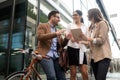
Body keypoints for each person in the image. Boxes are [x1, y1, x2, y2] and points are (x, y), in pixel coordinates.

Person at [36, 11, 66, 80]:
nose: (59, 19)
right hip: (45, 55)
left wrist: (67, 38)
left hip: (56, 56)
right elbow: (40, 37)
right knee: (52, 77)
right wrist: (55, 34)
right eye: (58, 17)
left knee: (62, 77)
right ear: (52, 17)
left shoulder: (56, 30)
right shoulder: (42, 25)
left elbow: (62, 45)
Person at [87, 8, 112, 80]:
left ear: (93, 15)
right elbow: (90, 43)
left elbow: (101, 40)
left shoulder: (102, 23)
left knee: (100, 78)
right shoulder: (91, 27)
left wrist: (88, 39)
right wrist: (81, 40)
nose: (87, 16)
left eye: (88, 14)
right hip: (93, 57)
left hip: (103, 56)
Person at [65, 10, 88, 80]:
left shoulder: (85, 27)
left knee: (84, 72)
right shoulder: (70, 25)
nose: (74, 16)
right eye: (73, 15)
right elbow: (66, 36)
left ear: (80, 16)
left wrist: (81, 41)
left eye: (76, 15)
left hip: (81, 49)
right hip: (72, 48)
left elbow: (87, 40)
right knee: (73, 72)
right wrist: (70, 37)